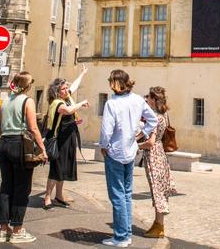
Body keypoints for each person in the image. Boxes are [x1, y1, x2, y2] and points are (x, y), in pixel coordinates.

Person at [100, 70, 158, 247]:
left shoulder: (111, 103)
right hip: (131, 151)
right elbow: (153, 120)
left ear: (115, 84)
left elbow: (106, 130)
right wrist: (141, 134)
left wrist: (104, 146)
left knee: (117, 195)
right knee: (126, 194)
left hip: (115, 152)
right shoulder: (138, 100)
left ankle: (120, 236)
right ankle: (126, 233)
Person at [0, 72, 47, 244]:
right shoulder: (27, 101)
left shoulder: (5, 100)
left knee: (6, 186)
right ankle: (17, 229)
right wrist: (42, 149)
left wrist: (6, 134)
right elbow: (33, 128)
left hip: (4, 144)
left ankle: (3, 230)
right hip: (19, 145)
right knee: (22, 187)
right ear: (27, 85)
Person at [43, 65, 89, 209]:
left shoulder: (66, 96)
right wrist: (81, 103)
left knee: (63, 167)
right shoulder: (58, 103)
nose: (66, 91)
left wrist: (82, 73)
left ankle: (59, 195)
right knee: (56, 168)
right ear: (57, 92)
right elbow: (68, 110)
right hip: (59, 139)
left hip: (68, 137)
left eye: (65, 88)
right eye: (63, 89)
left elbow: (74, 86)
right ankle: (47, 198)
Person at [138, 87, 176, 239]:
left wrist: (136, 146)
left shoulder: (154, 117)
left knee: (156, 189)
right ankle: (157, 223)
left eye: (148, 98)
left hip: (153, 155)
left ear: (153, 100)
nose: (147, 100)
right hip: (161, 154)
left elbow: (151, 142)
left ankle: (159, 226)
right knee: (160, 188)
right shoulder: (164, 114)